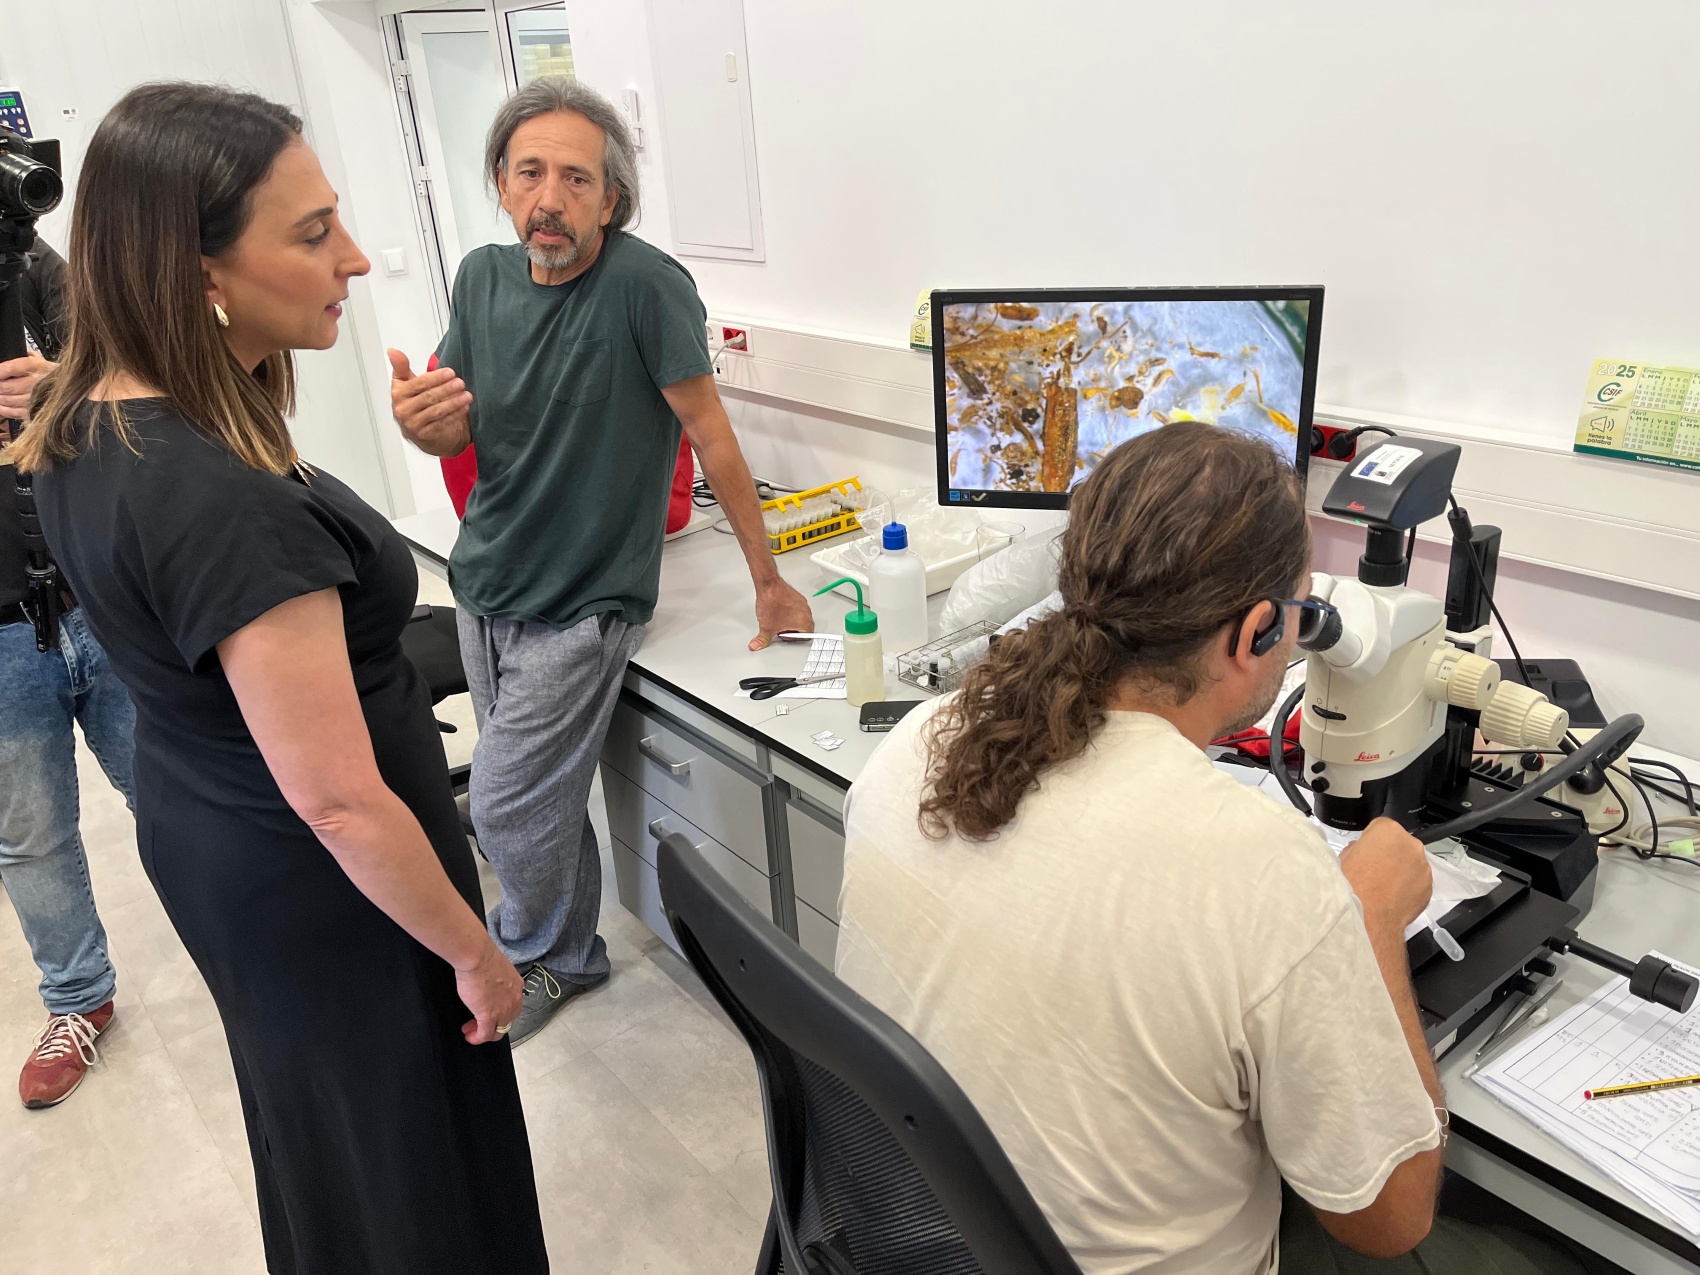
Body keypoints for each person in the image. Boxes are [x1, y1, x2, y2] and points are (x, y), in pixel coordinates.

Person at [836, 423, 1585, 1274]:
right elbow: (1391, 1218)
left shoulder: (924, 738)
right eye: (1300, 616)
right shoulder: (1257, 870)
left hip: (910, 1236)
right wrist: (1369, 917)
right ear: (1258, 630)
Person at [16, 83, 548, 1274]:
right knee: (410, 1162)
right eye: (310, 235)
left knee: (332, 1143)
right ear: (195, 264)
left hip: (212, 831)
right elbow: (339, 802)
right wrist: (475, 948)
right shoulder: (224, 505)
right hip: (321, 884)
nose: (353, 258)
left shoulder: (87, 420)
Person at [388, 77, 813, 1044]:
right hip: (485, 585)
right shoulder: (482, 279)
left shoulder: (644, 288)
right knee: (535, 797)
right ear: (500, 183)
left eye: (578, 179)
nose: (552, 198)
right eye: (530, 172)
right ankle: (563, 948)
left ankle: (539, 955)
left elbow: (714, 435)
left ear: (610, 199)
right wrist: (422, 427)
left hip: (586, 603)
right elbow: (450, 424)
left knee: (500, 799)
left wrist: (769, 577)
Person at [1, 232, 137, 1109]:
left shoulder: (36, 267)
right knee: (30, 832)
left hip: (101, 588)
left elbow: (140, 389)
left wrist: (67, 390)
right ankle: (79, 999)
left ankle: (247, 939)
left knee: (177, 786)